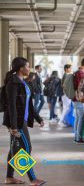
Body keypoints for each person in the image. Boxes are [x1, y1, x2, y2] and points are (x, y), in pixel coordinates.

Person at [2, 57, 46, 186]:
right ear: (21, 68)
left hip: (23, 120)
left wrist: (38, 118)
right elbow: (11, 106)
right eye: (27, 66)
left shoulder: (23, 82)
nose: (29, 69)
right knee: (26, 147)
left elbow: (28, 105)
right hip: (18, 122)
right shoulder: (13, 83)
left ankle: (9, 177)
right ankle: (33, 179)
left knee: (14, 149)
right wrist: (14, 126)